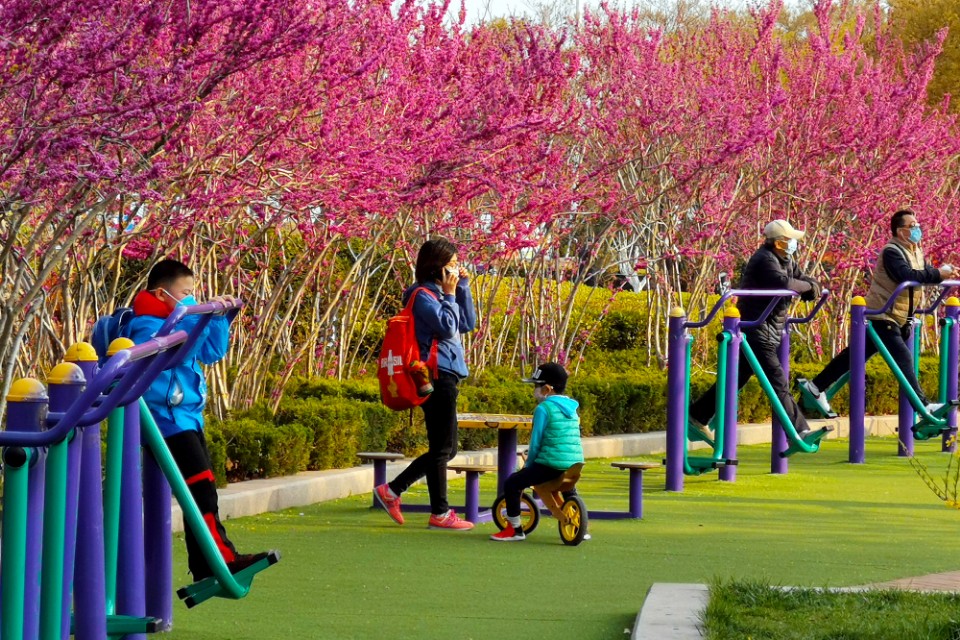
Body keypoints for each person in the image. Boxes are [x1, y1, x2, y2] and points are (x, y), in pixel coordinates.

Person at [128, 259, 271, 582]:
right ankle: (220, 559)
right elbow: (165, 354)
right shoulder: (146, 324)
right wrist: (195, 313)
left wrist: (218, 318)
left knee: (201, 490)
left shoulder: (181, 319)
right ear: (162, 294)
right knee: (201, 489)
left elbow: (212, 353)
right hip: (165, 421)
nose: (191, 299)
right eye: (186, 293)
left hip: (187, 418)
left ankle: (205, 564)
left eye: (194, 293)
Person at [798, 210, 955, 416]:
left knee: (853, 356)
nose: (918, 228)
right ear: (900, 231)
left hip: (900, 316)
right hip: (883, 314)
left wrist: (942, 274)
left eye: (917, 224)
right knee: (903, 359)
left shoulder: (915, 250)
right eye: (912, 225)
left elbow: (921, 272)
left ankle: (815, 387)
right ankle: (923, 406)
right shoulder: (892, 251)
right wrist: (937, 274)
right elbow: (905, 275)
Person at [374, 238, 478, 530]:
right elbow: (446, 327)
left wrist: (462, 289)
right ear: (437, 266)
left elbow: (466, 323)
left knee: (444, 448)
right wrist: (448, 294)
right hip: (434, 375)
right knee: (444, 448)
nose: (457, 267)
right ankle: (430, 508)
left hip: (447, 374)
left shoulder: (443, 293)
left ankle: (399, 493)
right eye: (452, 263)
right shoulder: (421, 296)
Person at [689, 220, 822, 439]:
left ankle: (698, 414)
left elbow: (804, 282)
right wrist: (808, 286)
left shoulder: (786, 260)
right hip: (756, 328)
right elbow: (786, 284)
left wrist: (810, 286)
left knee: (735, 378)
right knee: (778, 381)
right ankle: (800, 431)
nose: (794, 245)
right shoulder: (764, 260)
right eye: (790, 241)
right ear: (779, 243)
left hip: (767, 329)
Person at [491, 362, 584, 542]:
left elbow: (536, 442)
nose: (535, 391)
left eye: (537, 386)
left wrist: (529, 464)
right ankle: (581, 525)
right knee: (567, 486)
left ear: (547, 389)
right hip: (575, 462)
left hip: (550, 463)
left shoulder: (543, 409)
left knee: (512, 483)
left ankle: (515, 529)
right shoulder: (572, 408)